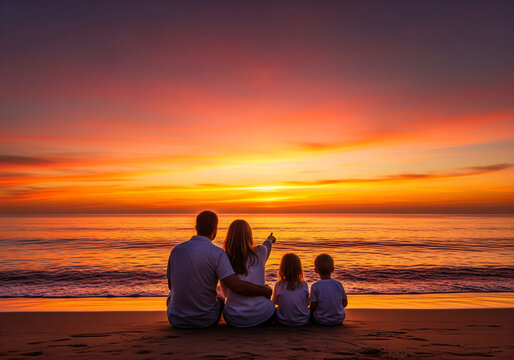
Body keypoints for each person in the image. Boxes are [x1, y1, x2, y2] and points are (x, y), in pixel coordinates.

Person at [166, 211, 272, 328]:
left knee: (173, 295)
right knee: (220, 299)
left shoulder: (176, 250)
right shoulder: (217, 253)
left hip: (176, 319)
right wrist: (265, 291)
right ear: (215, 229)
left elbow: (171, 286)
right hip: (206, 320)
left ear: (196, 227)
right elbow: (235, 286)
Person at [221, 219, 276, 327]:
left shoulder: (223, 257)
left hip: (234, 318)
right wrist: (270, 239)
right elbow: (267, 246)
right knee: (267, 289)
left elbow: (226, 294)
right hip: (263, 314)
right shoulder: (261, 252)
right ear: (249, 234)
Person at [309, 253, 348, 325]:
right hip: (339, 319)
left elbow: (313, 306)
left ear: (316, 270)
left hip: (322, 320)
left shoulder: (315, 286)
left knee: (309, 313)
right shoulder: (338, 284)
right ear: (333, 269)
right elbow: (345, 303)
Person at [273, 253, 310, 326]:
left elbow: (275, 302)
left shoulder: (279, 284)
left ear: (282, 269)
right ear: (299, 269)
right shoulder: (304, 285)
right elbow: (307, 303)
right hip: (302, 320)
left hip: (282, 320)